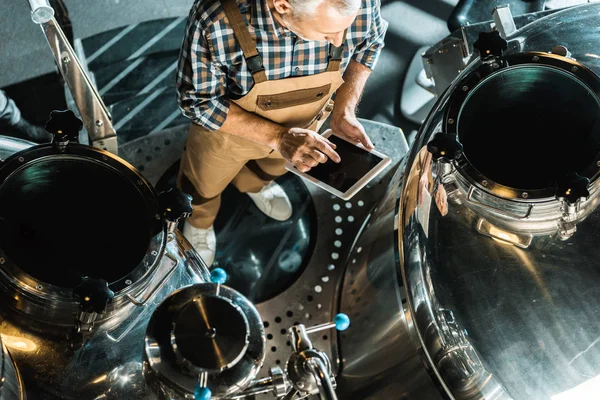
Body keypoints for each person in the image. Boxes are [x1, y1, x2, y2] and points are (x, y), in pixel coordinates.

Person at [176, 0, 388, 265]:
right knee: (203, 185)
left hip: (306, 123)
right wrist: (279, 138)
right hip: (227, 134)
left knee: (272, 167)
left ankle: (255, 185)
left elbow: (369, 44)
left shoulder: (360, 3)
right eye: (326, 33)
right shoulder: (217, 20)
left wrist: (344, 108)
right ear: (282, 6)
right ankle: (200, 222)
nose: (338, 41)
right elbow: (198, 102)